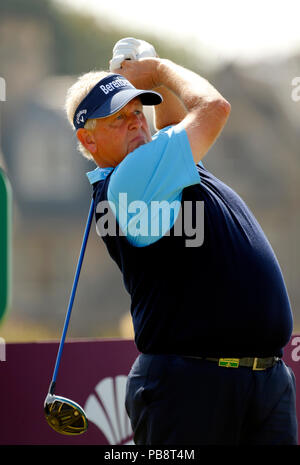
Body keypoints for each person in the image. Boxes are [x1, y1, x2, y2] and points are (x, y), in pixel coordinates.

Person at [65, 38, 298, 445]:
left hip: (258, 380)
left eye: (139, 111)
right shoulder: (130, 178)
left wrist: (146, 70)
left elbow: (172, 124)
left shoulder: (158, 167)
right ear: (89, 142)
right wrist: (157, 70)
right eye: (119, 117)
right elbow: (213, 109)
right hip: (194, 386)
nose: (137, 121)